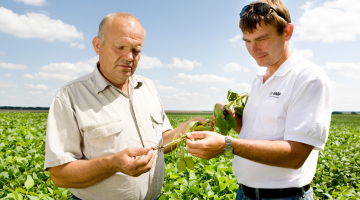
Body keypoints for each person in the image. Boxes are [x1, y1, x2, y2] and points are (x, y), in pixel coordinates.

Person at [44, 12, 201, 200]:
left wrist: (186, 129)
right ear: (97, 45)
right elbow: (59, 174)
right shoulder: (70, 96)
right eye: (119, 47)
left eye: (136, 50)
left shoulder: (147, 88)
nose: (129, 57)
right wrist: (113, 164)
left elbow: (161, 142)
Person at [186, 0, 333, 199]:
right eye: (247, 41)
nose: (253, 49)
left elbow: (296, 155)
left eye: (261, 39)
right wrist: (234, 121)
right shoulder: (260, 79)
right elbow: (260, 135)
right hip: (244, 193)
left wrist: (227, 144)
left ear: (287, 32)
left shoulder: (308, 78)